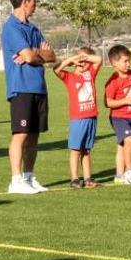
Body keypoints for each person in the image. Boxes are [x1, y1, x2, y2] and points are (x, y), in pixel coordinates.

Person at [1, 0, 55, 194]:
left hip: (38, 87)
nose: (36, 5)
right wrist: (35, 53)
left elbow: (51, 56)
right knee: (21, 134)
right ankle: (15, 180)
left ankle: (29, 177)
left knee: (34, 136)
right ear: (25, 2)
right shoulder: (11, 27)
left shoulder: (33, 28)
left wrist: (33, 53)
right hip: (21, 87)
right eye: (34, 1)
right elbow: (36, 56)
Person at [54, 47, 102, 188]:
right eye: (79, 60)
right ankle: (74, 178)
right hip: (78, 118)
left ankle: (88, 179)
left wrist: (84, 57)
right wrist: (71, 60)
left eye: (85, 60)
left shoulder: (90, 74)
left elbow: (98, 60)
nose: (82, 62)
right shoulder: (70, 77)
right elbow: (57, 70)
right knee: (75, 149)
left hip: (91, 116)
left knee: (86, 150)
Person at [104, 44, 131, 185]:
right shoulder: (113, 81)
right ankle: (130, 171)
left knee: (122, 145)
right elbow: (108, 102)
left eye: (129, 60)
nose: (128, 64)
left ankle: (119, 176)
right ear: (114, 63)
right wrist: (125, 100)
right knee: (130, 140)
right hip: (119, 117)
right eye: (125, 61)